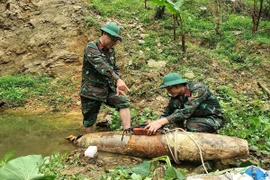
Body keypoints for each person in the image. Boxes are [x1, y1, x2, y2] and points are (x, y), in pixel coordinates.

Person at [79, 23, 131, 133]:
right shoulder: (91, 47)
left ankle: (128, 132)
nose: (113, 43)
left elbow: (114, 68)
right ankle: (90, 143)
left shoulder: (111, 51)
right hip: (91, 91)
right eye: (112, 39)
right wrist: (117, 79)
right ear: (103, 33)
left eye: (115, 40)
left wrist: (117, 82)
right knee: (89, 120)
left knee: (123, 101)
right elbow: (101, 66)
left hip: (107, 89)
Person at [145, 72, 224, 135]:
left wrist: (161, 122)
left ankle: (211, 136)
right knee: (176, 116)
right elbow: (167, 114)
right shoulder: (176, 98)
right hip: (195, 119)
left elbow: (187, 112)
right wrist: (155, 123)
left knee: (191, 125)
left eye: (169, 88)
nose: (168, 91)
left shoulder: (197, 89)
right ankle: (183, 134)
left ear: (178, 85)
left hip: (212, 119)